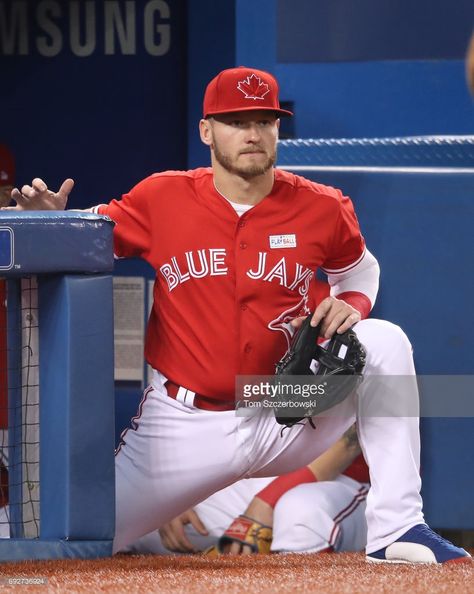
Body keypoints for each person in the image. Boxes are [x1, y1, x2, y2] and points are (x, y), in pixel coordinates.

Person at [7, 66, 471, 564]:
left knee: (385, 340)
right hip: (184, 422)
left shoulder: (322, 206)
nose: (252, 133)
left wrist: (350, 306)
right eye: (236, 121)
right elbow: (87, 236)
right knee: (67, 546)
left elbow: (361, 272)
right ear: (206, 131)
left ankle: (398, 527)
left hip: (283, 401)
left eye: (264, 120)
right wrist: (50, 223)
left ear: (277, 129)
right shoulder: (162, 197)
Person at [127, 425, 369, 555]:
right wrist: (176, 491)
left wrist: (265, 503)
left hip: (340, 482)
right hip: (255, 477)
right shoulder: (252, 335)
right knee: (131, 510)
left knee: (300, 516)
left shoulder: (364, 335)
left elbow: (349, 444)